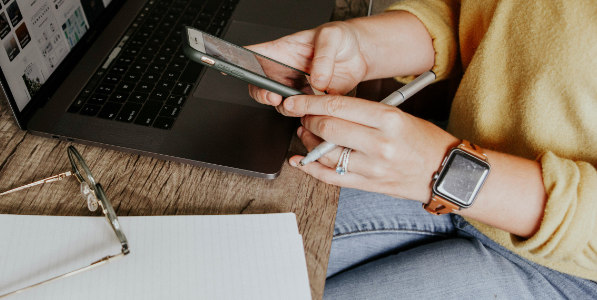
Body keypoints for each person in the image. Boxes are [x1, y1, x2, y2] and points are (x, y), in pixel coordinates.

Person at [246, 0, 596, 298]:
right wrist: (364, 46)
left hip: (569, 267)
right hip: (446, 162)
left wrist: (443, 167)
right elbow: (479, 13)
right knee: (237, 266)